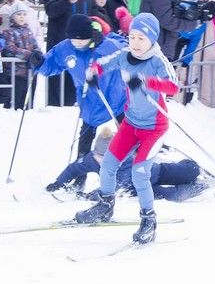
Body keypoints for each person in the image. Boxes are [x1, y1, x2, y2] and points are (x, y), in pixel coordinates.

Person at [72, 13, 180, 244]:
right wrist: (93, 73)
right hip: (131, 124)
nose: (136, 43)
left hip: (154, 128)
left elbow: (173, 86)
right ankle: (105, 205)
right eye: (132, 37)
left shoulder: (157, 61)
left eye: (141, 38)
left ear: (151, 39)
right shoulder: (124, 56)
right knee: (107, 166)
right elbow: (102, 64)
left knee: (140, 174)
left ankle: (149, 220)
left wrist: (146, 81)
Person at [33, 13, 128, 164]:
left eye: (81, 39)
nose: (77, 43)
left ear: (90, 36)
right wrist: (39, 63)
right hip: (89, 101)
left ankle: (137, 167)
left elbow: (125, 50)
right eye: (73, 39)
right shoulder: (66, 48)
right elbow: (52, 64)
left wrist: (101, 44)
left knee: (128, 134)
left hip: (114, 98)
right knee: (85, 139)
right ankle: (79, 173)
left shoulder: (106, 43)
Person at [48, 124, 207, 202]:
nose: (102, 161)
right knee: (173, 196)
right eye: (99, 156)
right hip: (136, 190)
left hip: (155, 173)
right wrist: (58, 183)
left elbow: (117, 184)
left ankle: (195, 170)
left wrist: (91, 195)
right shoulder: (92, 158)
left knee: (190, 170)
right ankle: (199, 186)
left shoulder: (125, 161)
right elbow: (73, 169)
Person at [42, 0, 93, 105]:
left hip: (80, 45)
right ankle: (55, 107)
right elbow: (50, 10)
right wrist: (67, 1)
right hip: (60, 41)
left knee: (76, 79)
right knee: (58, 80)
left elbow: (92, 11)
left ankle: (74, 104)